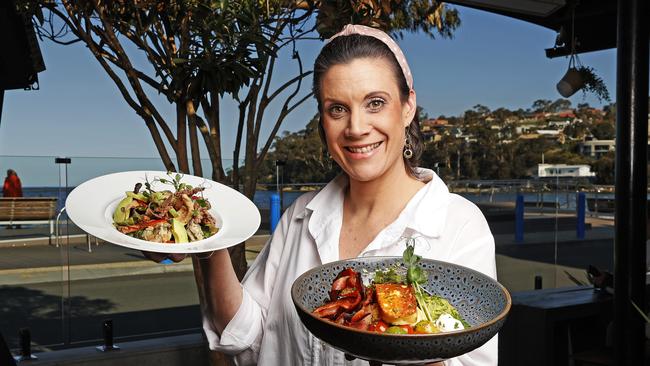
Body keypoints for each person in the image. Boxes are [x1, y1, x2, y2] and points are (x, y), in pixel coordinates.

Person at [149, 24, 497, 365]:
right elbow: (244, 337)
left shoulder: (459, 224)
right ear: (323, 121)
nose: (357, 128)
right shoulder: (300, 216)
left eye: (375, 103)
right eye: (337, 109)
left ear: (408, 107)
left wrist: (403, 339)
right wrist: (208, 243)